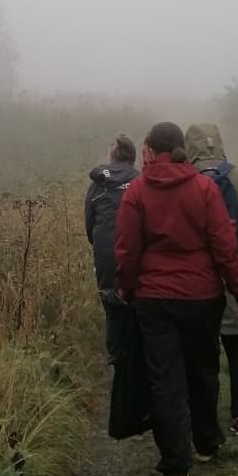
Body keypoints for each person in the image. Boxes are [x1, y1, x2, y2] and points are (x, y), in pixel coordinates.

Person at [115, 122, 238, 476]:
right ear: (180, 149)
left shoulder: (137, 193)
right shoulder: (204, 189)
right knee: (203, 369)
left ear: (149, 150)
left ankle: (177, 470)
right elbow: (224, 247)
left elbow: (127, 252)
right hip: (203, 298)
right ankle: (206, 444)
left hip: (155, 300)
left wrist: (128, 291)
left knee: (165, 380)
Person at [186, 122, 238, 437]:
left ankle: (204, 413)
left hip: (197, 278)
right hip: (237, 274)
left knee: (201, 352)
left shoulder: (186, 181)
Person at [84, 134, 140, 363]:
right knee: (135, 310)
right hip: (136, 259)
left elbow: (89, 227)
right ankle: (136, 359)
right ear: (133, 157)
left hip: (106, 258)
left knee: (112, 309)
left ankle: (116, 359)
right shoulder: (142, 182)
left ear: (112, 155)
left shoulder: (97, 185)